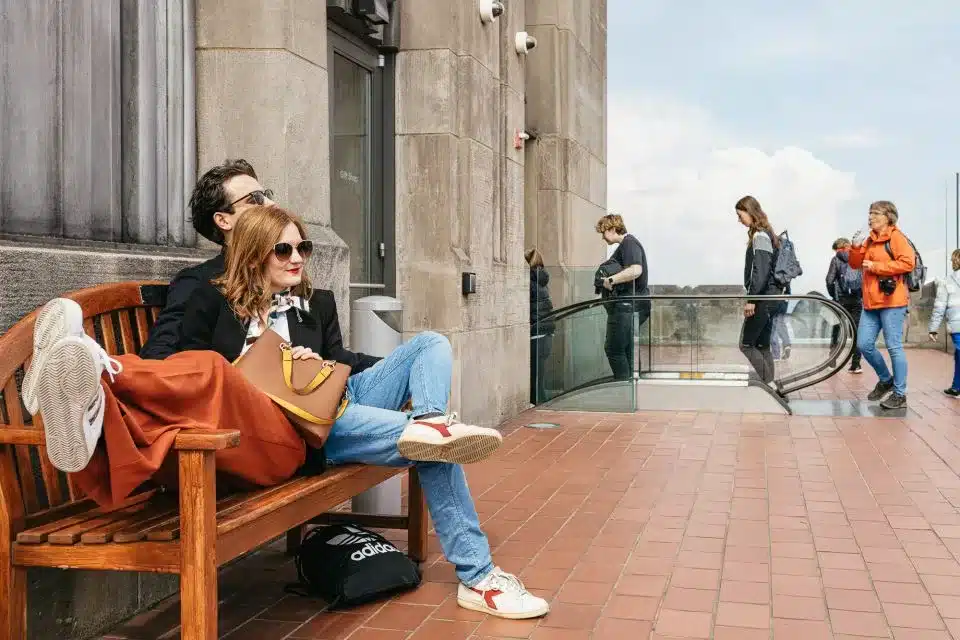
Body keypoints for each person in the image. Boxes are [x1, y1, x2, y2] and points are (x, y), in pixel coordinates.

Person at [25, 206, 549, 620]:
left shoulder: (314, 303)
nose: (297, 258)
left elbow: (342, 363)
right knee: (212, 366)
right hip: (286, 431)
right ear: (254, 253)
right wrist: (259, 365)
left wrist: (312, 361)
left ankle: (432, 422)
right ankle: (479, 576)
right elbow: (178, 368)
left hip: (332, 402)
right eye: (283, 249)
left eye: (304, 247)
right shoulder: (214, 304)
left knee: (430, 345)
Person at [140, 159, 274, 360]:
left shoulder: (286, 271)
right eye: (255, 199)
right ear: (223, 220)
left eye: (267, 195)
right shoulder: (198, 281)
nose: (271, 204)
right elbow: (157, 357)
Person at [848, 200, 916, 410]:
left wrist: (877, 266)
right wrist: (856, 246)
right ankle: (886, 379)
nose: (871, 218)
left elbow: (908, 263)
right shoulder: (869, 240)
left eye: (876, 214)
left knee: (894, 347)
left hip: (892, 301)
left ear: (888, 217)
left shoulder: (896, 237)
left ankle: (899, 393)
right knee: (863, 344)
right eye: (869, 213)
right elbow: (854, 264)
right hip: (871, 302)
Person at [595, 214, 649, 381]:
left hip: (627, 306)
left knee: (613, 349)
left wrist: (609, 280)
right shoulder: (628, 244)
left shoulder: (629, 243)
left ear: (612, 229)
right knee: (626, 349)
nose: (603, 237)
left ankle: (623, 389)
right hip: (634, 305)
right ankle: (630, 388)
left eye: (603, 232)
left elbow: (635, 270)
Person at [735, 196, 782, 384]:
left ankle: (768, 384)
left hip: (763, 298)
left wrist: (751, 300)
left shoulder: (760, 235)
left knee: (746, 344)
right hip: (772, 297)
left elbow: (760, 271)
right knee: (762, 346)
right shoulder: (767, 233)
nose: (739, 220)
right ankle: (770, 384)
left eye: (740, 215)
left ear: (750, 212)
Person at [826, 238, 864, 373]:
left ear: (838, 248)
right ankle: (856, 364)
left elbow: (829, 280)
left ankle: (832, 360)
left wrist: (834, 295)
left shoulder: (836, 259)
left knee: (836, 328)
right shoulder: (857, 257)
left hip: (840, 300)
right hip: (857, 300)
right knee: (856, 331)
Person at [929, 249, 960, 398]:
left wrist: (933, 328)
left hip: (957, 325)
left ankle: (956, 387)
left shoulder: (946, 281)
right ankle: (956, 387)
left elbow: (939, 307)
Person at [525, 248, 555, 404]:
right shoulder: (542, 281)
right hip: (547, 334)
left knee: (534, 377)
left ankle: (537, 405)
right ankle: (541, 404)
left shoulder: (529, 282)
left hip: (536, 334)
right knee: (540, 376)